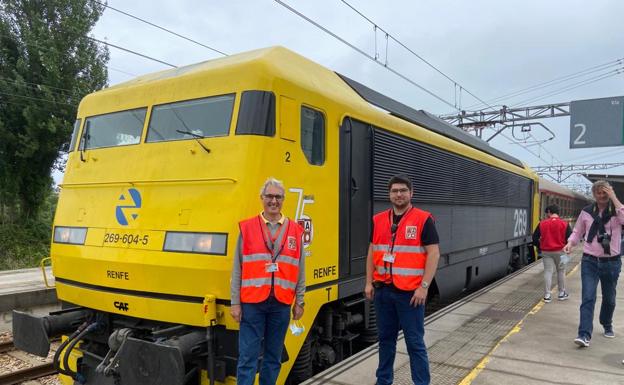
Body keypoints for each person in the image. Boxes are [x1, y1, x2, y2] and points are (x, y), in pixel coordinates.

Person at [365, 174, 440, 385]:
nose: (399, 194)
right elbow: (372, 252)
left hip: (411, 294)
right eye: (395, 191)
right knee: (385, 341)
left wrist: (424, 287)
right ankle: (383, 381)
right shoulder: (378, 220)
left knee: (414, 343)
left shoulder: (423, 219)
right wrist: (368, 282)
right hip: (383, 291)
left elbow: (434, 254)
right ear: (389, 194)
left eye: (403, 191)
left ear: (411, 193)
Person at [230, 177, 305, 385]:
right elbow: (237, 268)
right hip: (252, 303)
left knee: (273, 358)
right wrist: (235, 302)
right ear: (262, 198)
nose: (274, 201)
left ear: (283, 200)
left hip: (281, 303)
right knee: (247, 358)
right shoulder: (247, 228)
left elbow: (300, 269)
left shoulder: (295, 231)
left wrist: (300, 300)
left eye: (278, 197)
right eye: (269, 196)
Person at [563, 180, 624, 347]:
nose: (602, 195)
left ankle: (606, 323)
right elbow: (577, 231)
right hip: (590, 261)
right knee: (588, 297)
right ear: (594, 194)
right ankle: (584, 334)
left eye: (605, 192)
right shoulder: (587, 212)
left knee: (609, 299)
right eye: (599, 192)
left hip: (611, 262)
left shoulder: (617, 212)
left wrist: (614, 197)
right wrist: (570, 243)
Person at [532, 204, 572, 302]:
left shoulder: (542, 223)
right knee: (561, 271)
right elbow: (570, 239)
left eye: (547, 213)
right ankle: (561, 293)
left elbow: (534, 238)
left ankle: (547, 295)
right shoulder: (565, 224)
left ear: (549, 212)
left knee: (548, 272)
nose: (546, 215)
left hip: (546, 252)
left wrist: (540, 246)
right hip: (561, 252)